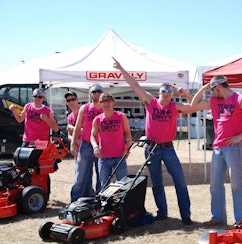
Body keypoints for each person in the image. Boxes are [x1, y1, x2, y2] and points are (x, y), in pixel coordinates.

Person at [113, 58, 197, 225]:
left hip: (167, 148)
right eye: (163, 92)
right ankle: (162, 211)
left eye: (168, 92)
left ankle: (185, 214)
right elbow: (135, 86)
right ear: (159, 93)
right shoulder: (151, 102)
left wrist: (185, 93)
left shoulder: (175, 107)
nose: (165, 94)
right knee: (157, 182)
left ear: (171, 95)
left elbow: (194, 106)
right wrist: (121, 69)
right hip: (151, 148)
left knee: (179, 180)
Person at [190, 75, 242, 227]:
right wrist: (203, 88)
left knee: (236, 184)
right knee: (215, 184)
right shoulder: (215, 101)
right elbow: (193, 105)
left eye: (214, 90)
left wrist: (240, 137)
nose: (213, 93)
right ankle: (218, 217)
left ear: (218, 87)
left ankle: (241, 221)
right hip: (217, 147)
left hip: (233, 148)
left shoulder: (240, 99)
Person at [91, 93, 132, 192]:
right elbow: (93, 136)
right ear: (100, 104)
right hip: (104, 158)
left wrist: (127, 148)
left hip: (120, 156)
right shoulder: (97, 119)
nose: (106, 103)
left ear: (113, 102)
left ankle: (123, 206)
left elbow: (127, 134)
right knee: (104, 185)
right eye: (103, 101)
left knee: (123, 185)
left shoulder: (121, 116)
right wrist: (95, 147)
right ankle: (106, 206)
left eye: (108, 100)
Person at [69, 84, 104, 202]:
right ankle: (74, 203)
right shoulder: (84, 108)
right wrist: (72, 143)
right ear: (90, 94)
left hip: (102, 147)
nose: (96, 93)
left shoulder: (106, 108)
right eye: (94, 91)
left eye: (99, 91)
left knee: (102, 178)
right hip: (86, 146)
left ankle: (100, 204)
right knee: (80, 177)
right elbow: (77, 127)